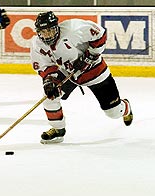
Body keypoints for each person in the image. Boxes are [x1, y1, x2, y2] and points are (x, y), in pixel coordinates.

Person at [31, 11, 133, 144]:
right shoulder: (37, 44)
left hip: (95, 72)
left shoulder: (73, 29)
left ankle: (125, 107)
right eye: (43, 32)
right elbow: (44, 67)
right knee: (49, 96)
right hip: (69, 73)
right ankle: (58, 130)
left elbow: (100, 34)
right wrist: (50, 81)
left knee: (113, 113)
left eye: (50, 30)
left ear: (57, 27)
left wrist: (92, 55)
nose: (47, 35)